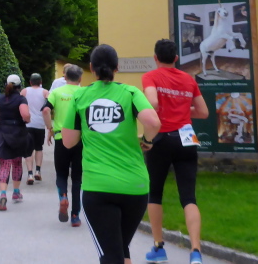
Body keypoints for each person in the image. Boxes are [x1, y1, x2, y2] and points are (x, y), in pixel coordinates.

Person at [62, 45, 161, 264]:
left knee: (111, 255)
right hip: (135, 187)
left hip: (99, 187)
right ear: (117, 67)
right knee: (121, 250)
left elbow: (68, 141)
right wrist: (147, 141)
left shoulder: (81, 96)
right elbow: (153, 122)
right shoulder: (131, 93)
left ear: (91, 68)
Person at [142, 39, 209, 264]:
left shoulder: (151, 76)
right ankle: (196, 252)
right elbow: (203, 112)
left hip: (162, 139)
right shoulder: (189, 79)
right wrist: (182, 109)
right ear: (176, 59)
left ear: (155, 58)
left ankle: (158, 247)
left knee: (155, 193)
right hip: (187, 137)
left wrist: (156, 111)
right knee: (189, 197)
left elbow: (152, 102)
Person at [42, 64, 83, 226]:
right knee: (77, 178)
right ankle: (75, 215)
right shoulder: (84, 92)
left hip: (61, 137)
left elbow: (45, 110)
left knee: (61, 174)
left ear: (65, 77)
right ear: (80, 78)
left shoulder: (56, 92)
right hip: (80, 139)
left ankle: (63, 197)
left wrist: (50, 129)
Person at [0, 74, 31, 211]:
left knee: (4, 164)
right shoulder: (21, 99)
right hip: (17, 133)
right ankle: (16, 192)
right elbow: (25, 114)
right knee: (17, 162)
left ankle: (3, 194)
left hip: (2, 133)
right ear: (19, 86)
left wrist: (3, 120)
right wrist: (27, 119)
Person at [21, 72, 49, 184]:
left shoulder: (24, 91)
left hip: (27, 124)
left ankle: (30, 174)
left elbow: (19, 104)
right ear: (41, 82)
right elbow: (49, 103)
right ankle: (38, 171)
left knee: (28, 150)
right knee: (39, 148)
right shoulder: (45, 92)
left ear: (30, 82)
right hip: (40, 124)